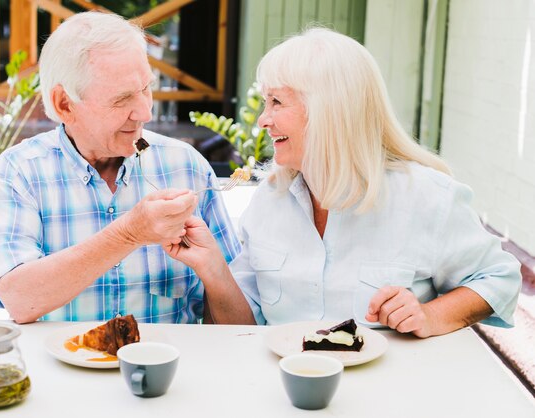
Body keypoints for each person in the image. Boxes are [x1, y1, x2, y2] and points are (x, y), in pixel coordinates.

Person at [166, 28, 522, 337]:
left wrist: (429, 315)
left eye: (276, 102)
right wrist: (212, 268)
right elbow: (242, 329)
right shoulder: (268, 200)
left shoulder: (428, 196)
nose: (263, 120)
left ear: (329, 109)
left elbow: (499, 279)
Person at [0, 12, 240, 324]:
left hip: (169, 370)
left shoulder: (187, 165)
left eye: (146, 88)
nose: (145, 112)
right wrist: (130, 233)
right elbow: (18, 300)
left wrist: (214, 272)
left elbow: (241, 327)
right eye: (122, 99)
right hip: (61, 370)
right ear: (65, 104)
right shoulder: (21, 170)